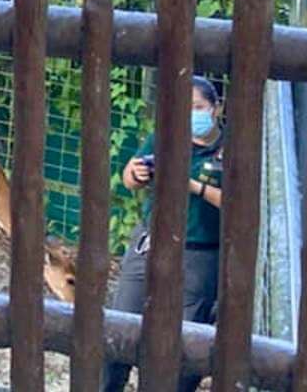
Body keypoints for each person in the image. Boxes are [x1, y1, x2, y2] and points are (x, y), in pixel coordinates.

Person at [103, 75, 226, 392]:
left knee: (183, 348)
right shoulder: (164, 137)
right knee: (118, 331)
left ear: (215, 109)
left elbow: (237, 205)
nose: (191, 115)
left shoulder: (230, 149)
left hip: (199, 257)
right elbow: (129, 178)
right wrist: (136, 172)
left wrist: (193, 186)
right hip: (150, 244)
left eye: (198, 107)